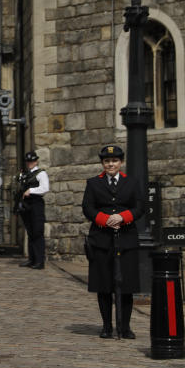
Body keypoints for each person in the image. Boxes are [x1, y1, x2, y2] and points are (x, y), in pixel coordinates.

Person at [82, 145, 144, 339]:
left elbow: (140, 206)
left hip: (126, 238)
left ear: (121, 162)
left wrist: (123, 217)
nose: (111, 164)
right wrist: (105, 219)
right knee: (104, 286)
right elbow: (88, 207)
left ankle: (125, 327)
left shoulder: (132, 182)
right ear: (102, 163)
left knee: (126, 287)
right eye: (107, 161)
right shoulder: (93, 183)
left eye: (115, 161)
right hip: (102, 239)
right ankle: (107, 326)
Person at [16, 150, 49, 269]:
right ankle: (32, 259)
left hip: (36, 204)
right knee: (30, 232)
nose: (30, 163)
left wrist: (31, 191)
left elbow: (45, 188)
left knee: (37, 233)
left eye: (32, 161)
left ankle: (40, 261)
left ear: (36, 161)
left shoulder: (41, 173)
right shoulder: (26, 174)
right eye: (28, 161)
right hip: (27, 205)